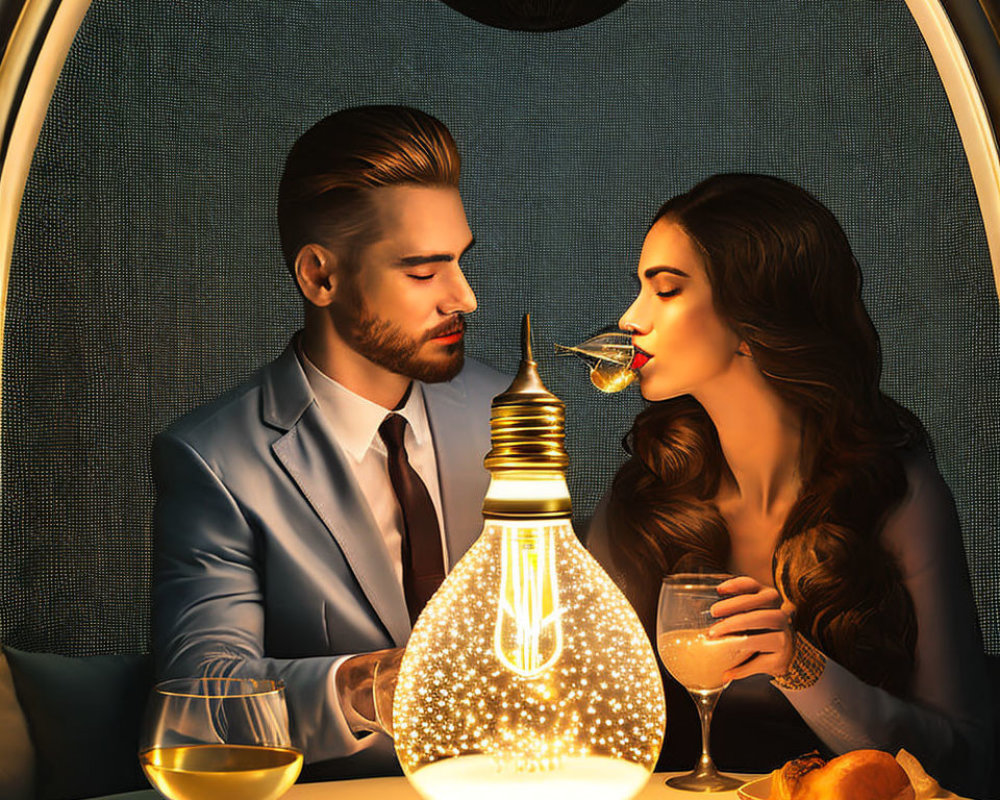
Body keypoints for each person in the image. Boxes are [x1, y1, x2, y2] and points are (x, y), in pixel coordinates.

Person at [586, 174, 992, 797]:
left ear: (755, 313)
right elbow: (581, 725)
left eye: (666, 290)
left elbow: (964, 758)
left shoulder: (895, 492)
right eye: (643, 288)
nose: (630, 319)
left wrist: (799, 666)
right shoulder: (644, 496)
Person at [151, 105, 508, 780]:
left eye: (460, 260)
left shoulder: (505, 413)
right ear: (319, 276)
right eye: (423, 271)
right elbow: (196, 706)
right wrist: (367, 687)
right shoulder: (216, 459)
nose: (465, 297)